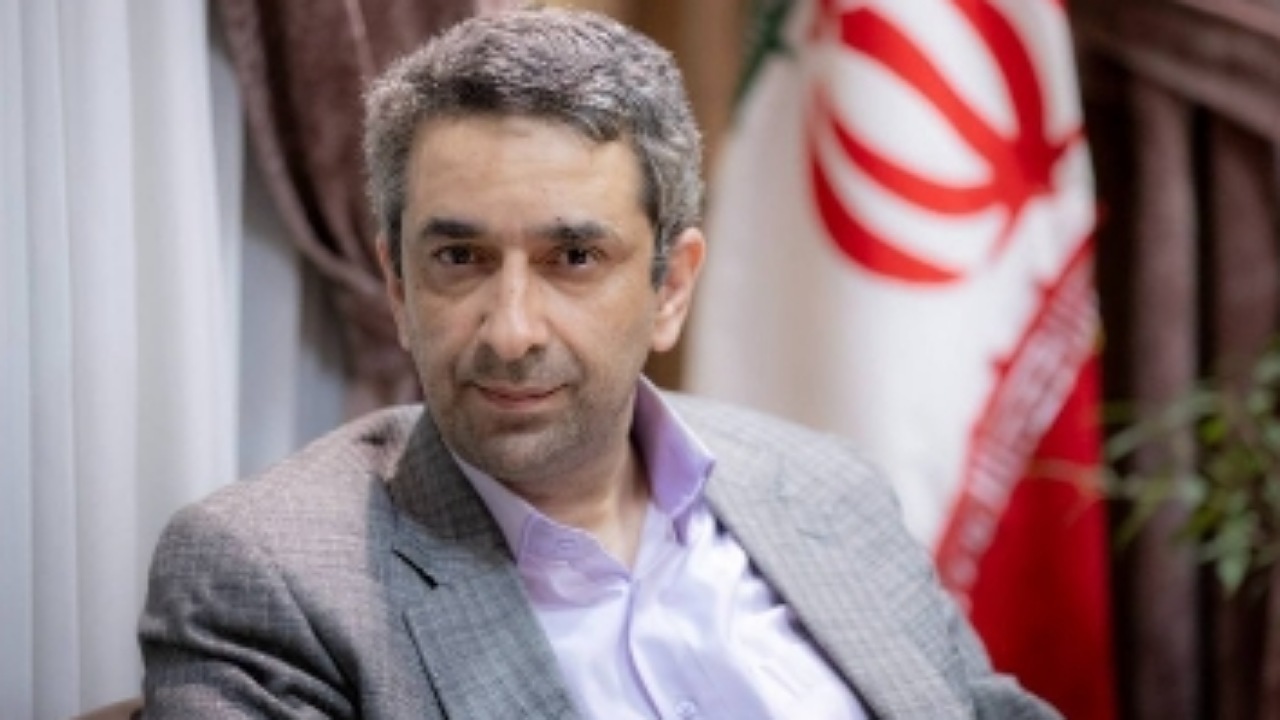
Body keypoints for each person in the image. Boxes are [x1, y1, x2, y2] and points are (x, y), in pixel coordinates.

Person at [138, 7, 1061, 719]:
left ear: (671, 286)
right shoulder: (270, 577)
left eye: (573, 257)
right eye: (458, 258)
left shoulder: (828, 487)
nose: (510, 331)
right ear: (396, 284)